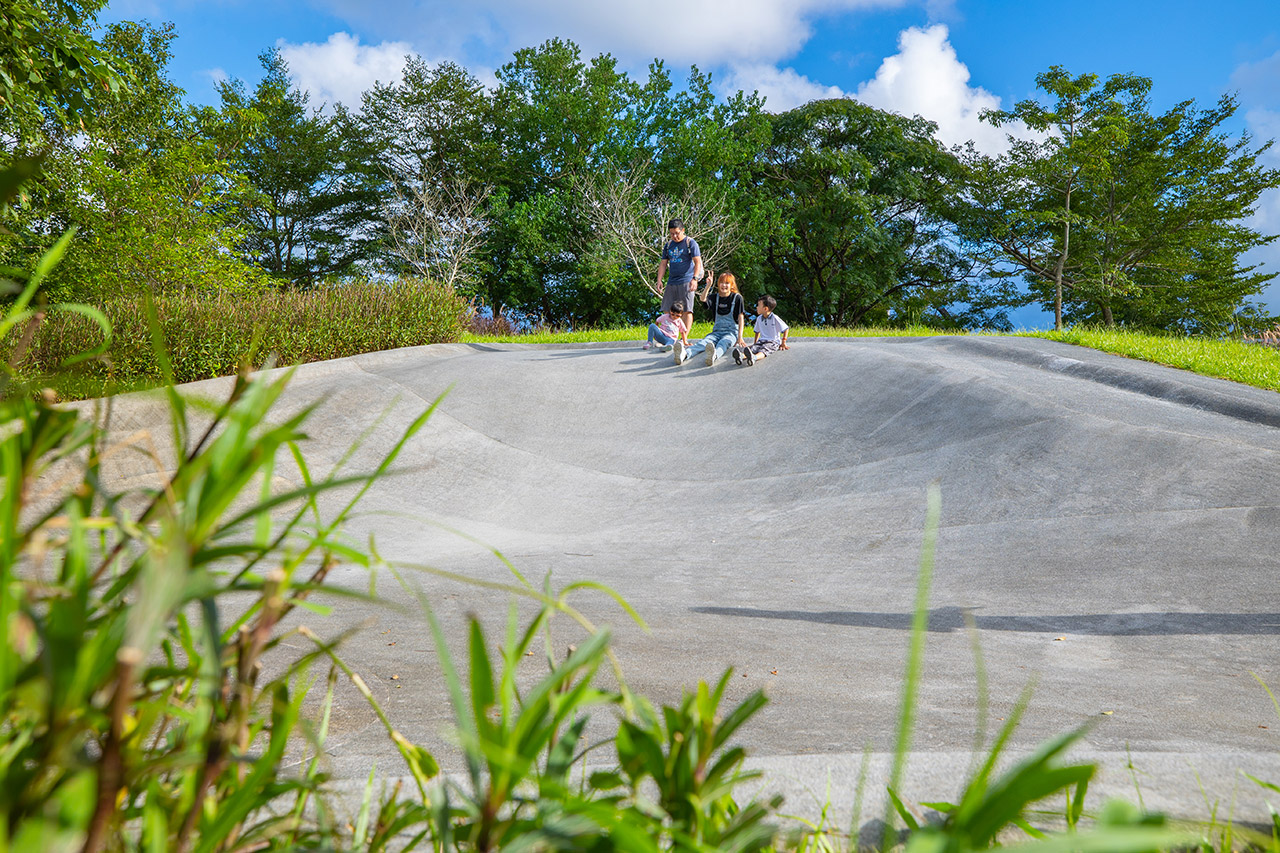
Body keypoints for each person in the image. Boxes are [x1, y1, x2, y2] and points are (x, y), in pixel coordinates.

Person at [674, 272, 745, 366]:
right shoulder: (715, 297)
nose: (724, 285)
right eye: (721, 283)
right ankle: (684, 354)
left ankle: (713, 356)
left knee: (723, 343)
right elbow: (703, 299)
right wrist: (708, 286)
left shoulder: (737, 298)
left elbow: (741, 318)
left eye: (727, 283)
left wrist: (740, 337)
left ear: (732, 285)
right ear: (718, 284)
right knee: (703, 343)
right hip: (716, 332)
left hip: (731, 332)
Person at [654, 219, 702, 336]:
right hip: (672, 281)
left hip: (687, 280)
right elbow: (663, 264)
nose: (674, 236)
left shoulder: (690, 243)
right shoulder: (668, 245)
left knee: (686, 310)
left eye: (677, 233)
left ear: (683, 230)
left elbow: (698, 262)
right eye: (671, 234)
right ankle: (668, 335)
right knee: (667, 309)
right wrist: (659, 280)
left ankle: (683, 339)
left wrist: (695, 279)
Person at [735, 294, 790, 366]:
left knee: (764, 350)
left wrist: (783, 342)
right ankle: (742, 356)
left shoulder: (774, 318)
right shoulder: (759, 318)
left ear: (765, 309)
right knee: (753, 348)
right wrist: (755, 343)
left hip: (773, 341)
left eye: (758, 305)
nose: (756, 307)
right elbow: (757, 332)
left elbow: (786, 328)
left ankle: (754, 358)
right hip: (762, 340)